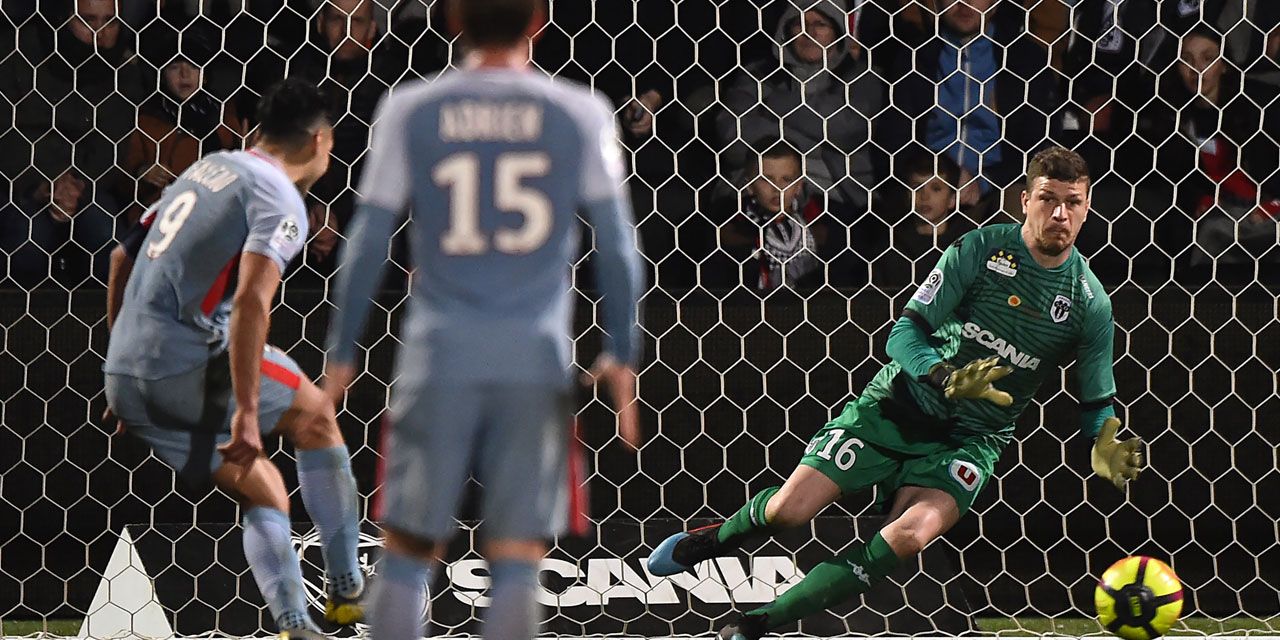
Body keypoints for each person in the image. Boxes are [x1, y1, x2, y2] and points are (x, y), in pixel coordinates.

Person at [648, 147, 1145, 640]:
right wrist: (944, 376)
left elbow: (1096, 400)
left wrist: (1101, 439)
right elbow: (903, 335)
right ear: (1024, 200)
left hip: (970, 440)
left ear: (1087, 207)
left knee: (909, 535)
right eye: (1048, 199)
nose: (1059, 214)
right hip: (896, 406)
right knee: (788, 512)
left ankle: (757, 623)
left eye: (1073, 202)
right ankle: (713, 540)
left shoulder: (1089, 302)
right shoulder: (979, 250)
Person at [321, 0, 645, 638]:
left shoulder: (411, 107)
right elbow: (617, 246)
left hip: (438, 354)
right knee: (519, 552)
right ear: (539, 23)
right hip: (536, 359)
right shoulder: (580, 110)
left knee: (409, 546)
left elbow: (367, 241)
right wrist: (621, 353)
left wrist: (340, 357)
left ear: (452, 20)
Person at [102, 79, 364, 639]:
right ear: (321, 141)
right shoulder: (278, 196)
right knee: (316, 416)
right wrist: (247, 411)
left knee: (261, 486)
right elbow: (251, 302)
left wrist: (121, 366)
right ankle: (347, 589)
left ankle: (295, 623)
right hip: (190, 361)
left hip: (125, 373)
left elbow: (121, 257)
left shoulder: (207, 168)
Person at [121, 33, 246, 224]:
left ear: (205, 75)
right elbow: (121, 177)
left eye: (193, 66)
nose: (184, 74)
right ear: (162, 75)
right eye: (175, 67)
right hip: (164, 214)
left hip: (219, 211)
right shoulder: (145, 120)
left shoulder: (224, 114)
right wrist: (141, 172)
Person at [713, 139, 828, 292]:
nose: (777, 188)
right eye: (767, 180)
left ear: (798, 186)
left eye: (786, 180)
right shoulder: (731, 230)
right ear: (750, 186)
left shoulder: (818, 221)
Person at [872, 151, 975, 292]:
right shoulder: (890, 245)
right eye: (917, 187)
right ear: (907, 194)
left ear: (952, 199)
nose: (924, 196)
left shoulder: (969, 246)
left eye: (935, 188)